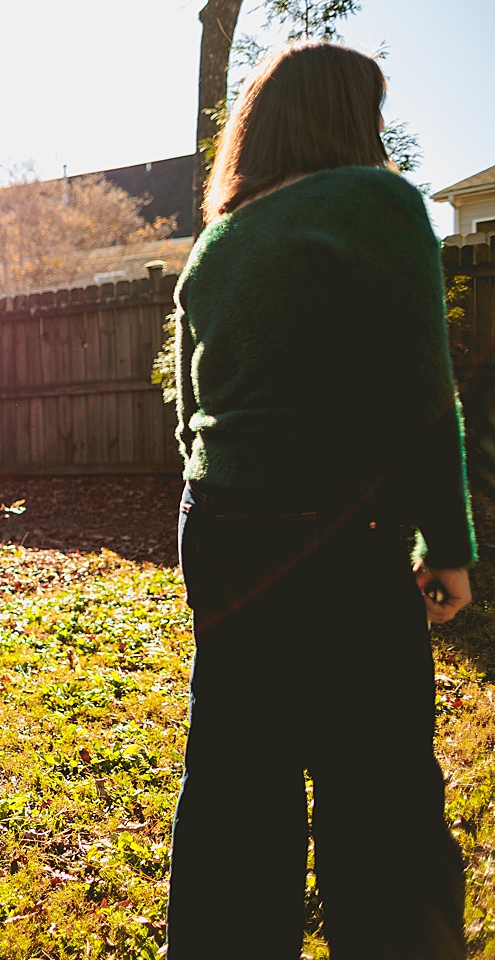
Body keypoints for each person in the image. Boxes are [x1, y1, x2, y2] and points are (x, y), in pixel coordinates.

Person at [167, 41, 475, 958]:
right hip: (337, 533)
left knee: (235, 782)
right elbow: (425, 391)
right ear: (349, 119)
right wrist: (448, 546)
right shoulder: (378, 203)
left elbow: (191, 421)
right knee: (377, 787)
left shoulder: (216, 242)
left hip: (218, 533)